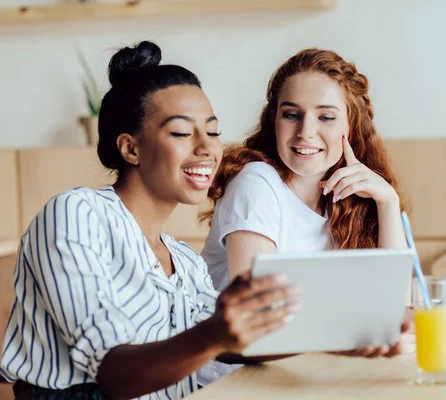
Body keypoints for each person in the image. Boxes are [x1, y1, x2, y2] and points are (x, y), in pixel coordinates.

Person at [0, 41, 302, 400]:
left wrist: (343, 337)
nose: (207, 148)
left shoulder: (185, 263)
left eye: (213, 131)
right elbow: (114, 377)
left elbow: (231, 342)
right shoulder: (75, 215)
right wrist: (216, 333)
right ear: (131, 148)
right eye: (181, 132)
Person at [201, 48, 414, 358]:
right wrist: (346, 340)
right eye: (291, 114)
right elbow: (256, 322)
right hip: (237, 380)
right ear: (274, 120)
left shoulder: (347, 199)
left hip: (307, 372)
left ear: (350, 127)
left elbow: (393, 309)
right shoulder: (256, 183)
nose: (306, 132)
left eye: (326, 117)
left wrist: (388, 203)